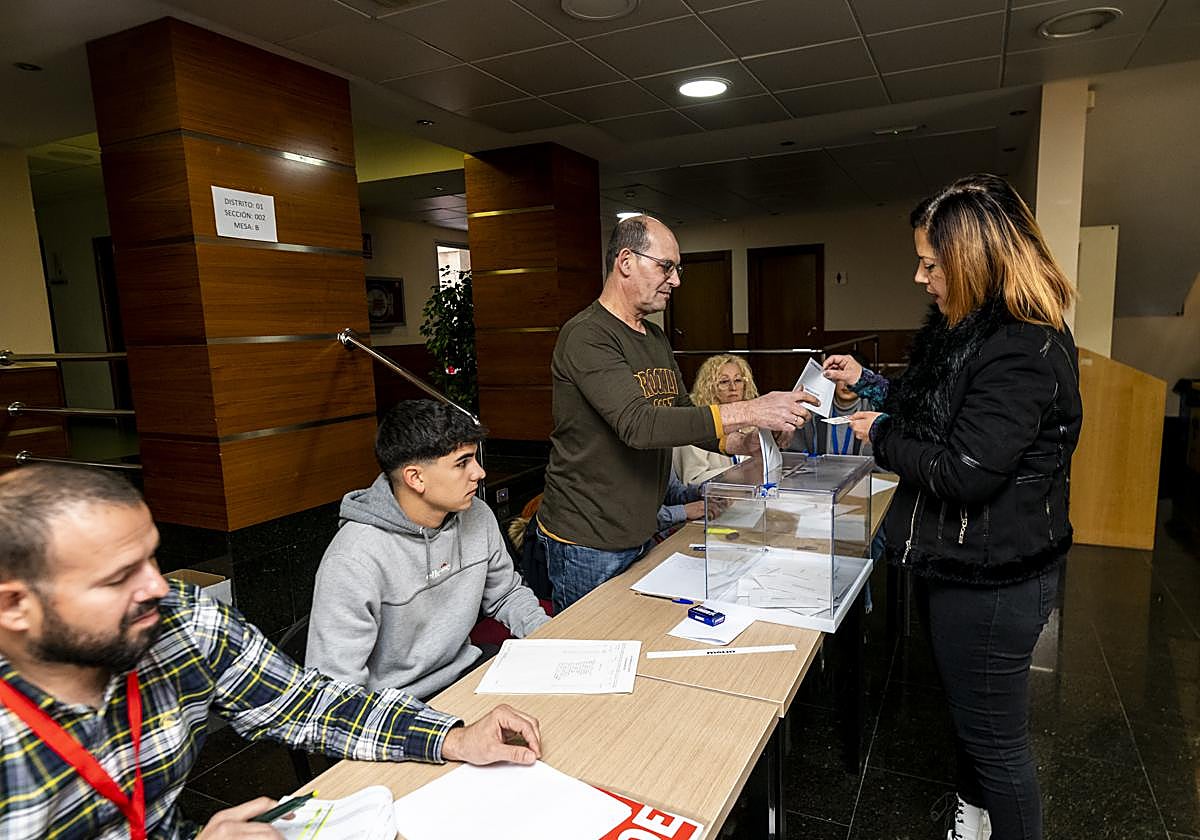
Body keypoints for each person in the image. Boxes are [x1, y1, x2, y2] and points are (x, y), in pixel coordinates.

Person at [0, 464, 542, 839]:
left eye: (151, 559)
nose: (159, 587)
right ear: (15, 605)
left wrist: (453, 736)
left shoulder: (180, 622)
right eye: (119, 577)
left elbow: (307, 704)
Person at [824, 174, 1082, 840]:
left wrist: (882, 435)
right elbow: (943, 410)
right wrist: (870, 384)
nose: (920, 278)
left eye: (931, 264)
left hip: (994, 577)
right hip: (967, 561)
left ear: (973, 260)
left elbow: (964, 469)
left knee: (997, 744)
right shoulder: (972, 331)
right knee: (975, 722)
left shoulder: (1020, 346)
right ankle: (972, 819)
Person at [537, 215, 818, 611]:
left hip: (638, 527)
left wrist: (738, 443)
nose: (676, 280)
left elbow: (681, 411)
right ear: (626, 262)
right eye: (666, 266)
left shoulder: (654, 336)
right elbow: (639, 425)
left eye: (676, 269)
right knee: (595, 640)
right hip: (589, 539)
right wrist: (750, 409)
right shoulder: (587, 335)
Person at [307, 400, 550, 699]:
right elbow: (335, 693)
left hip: (464, 672)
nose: (479, 472)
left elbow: (506, 595)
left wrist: (550, 638)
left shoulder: (477, 514)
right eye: (462, 463)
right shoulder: (353, 559)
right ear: (416, 478)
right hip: (394, 706)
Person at [673, 354, 761, 484]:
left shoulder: (751, 421)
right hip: (711, 496)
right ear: (709, 387)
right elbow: (692, 481)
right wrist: (742, 474)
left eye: (738, 380)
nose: (733, 388)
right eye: (724, 382)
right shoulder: (695, 423)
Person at [790, 350, 878, 457]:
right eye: (842, 376)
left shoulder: (874, 412)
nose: (846, 384)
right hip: (820, 468)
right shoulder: (813, 409)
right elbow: (793, 453)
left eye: (852, 378)